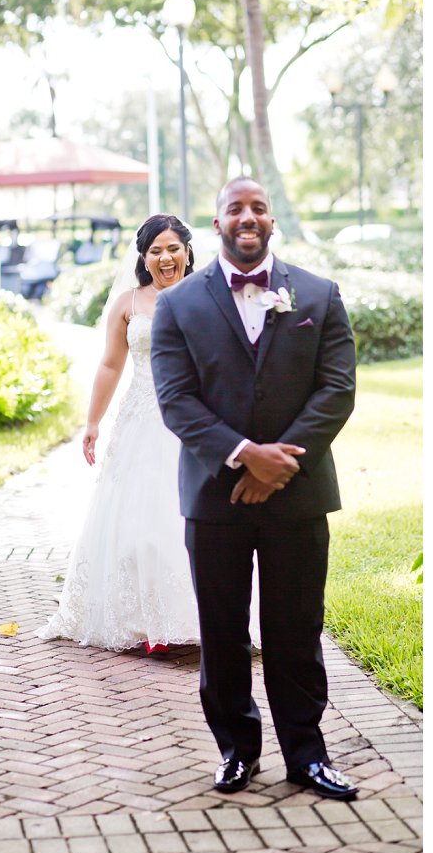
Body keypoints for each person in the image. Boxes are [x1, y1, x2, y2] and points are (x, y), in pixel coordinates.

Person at [150, 177, 359, 801]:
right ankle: (236, 751)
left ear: (272, 221)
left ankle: (307, 754)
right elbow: (176, 400)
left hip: (298, 495)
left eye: (259, 208)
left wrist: (279, 463)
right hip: (216, 498)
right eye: (235, 208)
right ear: (216, 224)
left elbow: (337, 388)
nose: (249, 217)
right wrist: (244, 458)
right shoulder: (179, 305)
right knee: (221, 630)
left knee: (296, 627)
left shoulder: (318, 295)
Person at [38, 214, 228, 654]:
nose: (166, 257)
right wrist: (92, 423)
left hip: (196, 421)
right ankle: (149, 624)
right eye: (156, 250)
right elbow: (110, 365)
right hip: (141, 422)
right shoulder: (129, 303)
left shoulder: (210, 295)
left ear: (187, 251)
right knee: (143, 522)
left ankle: (208, 619)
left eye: (173, 248)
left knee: (197, 519)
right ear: (144, 258)